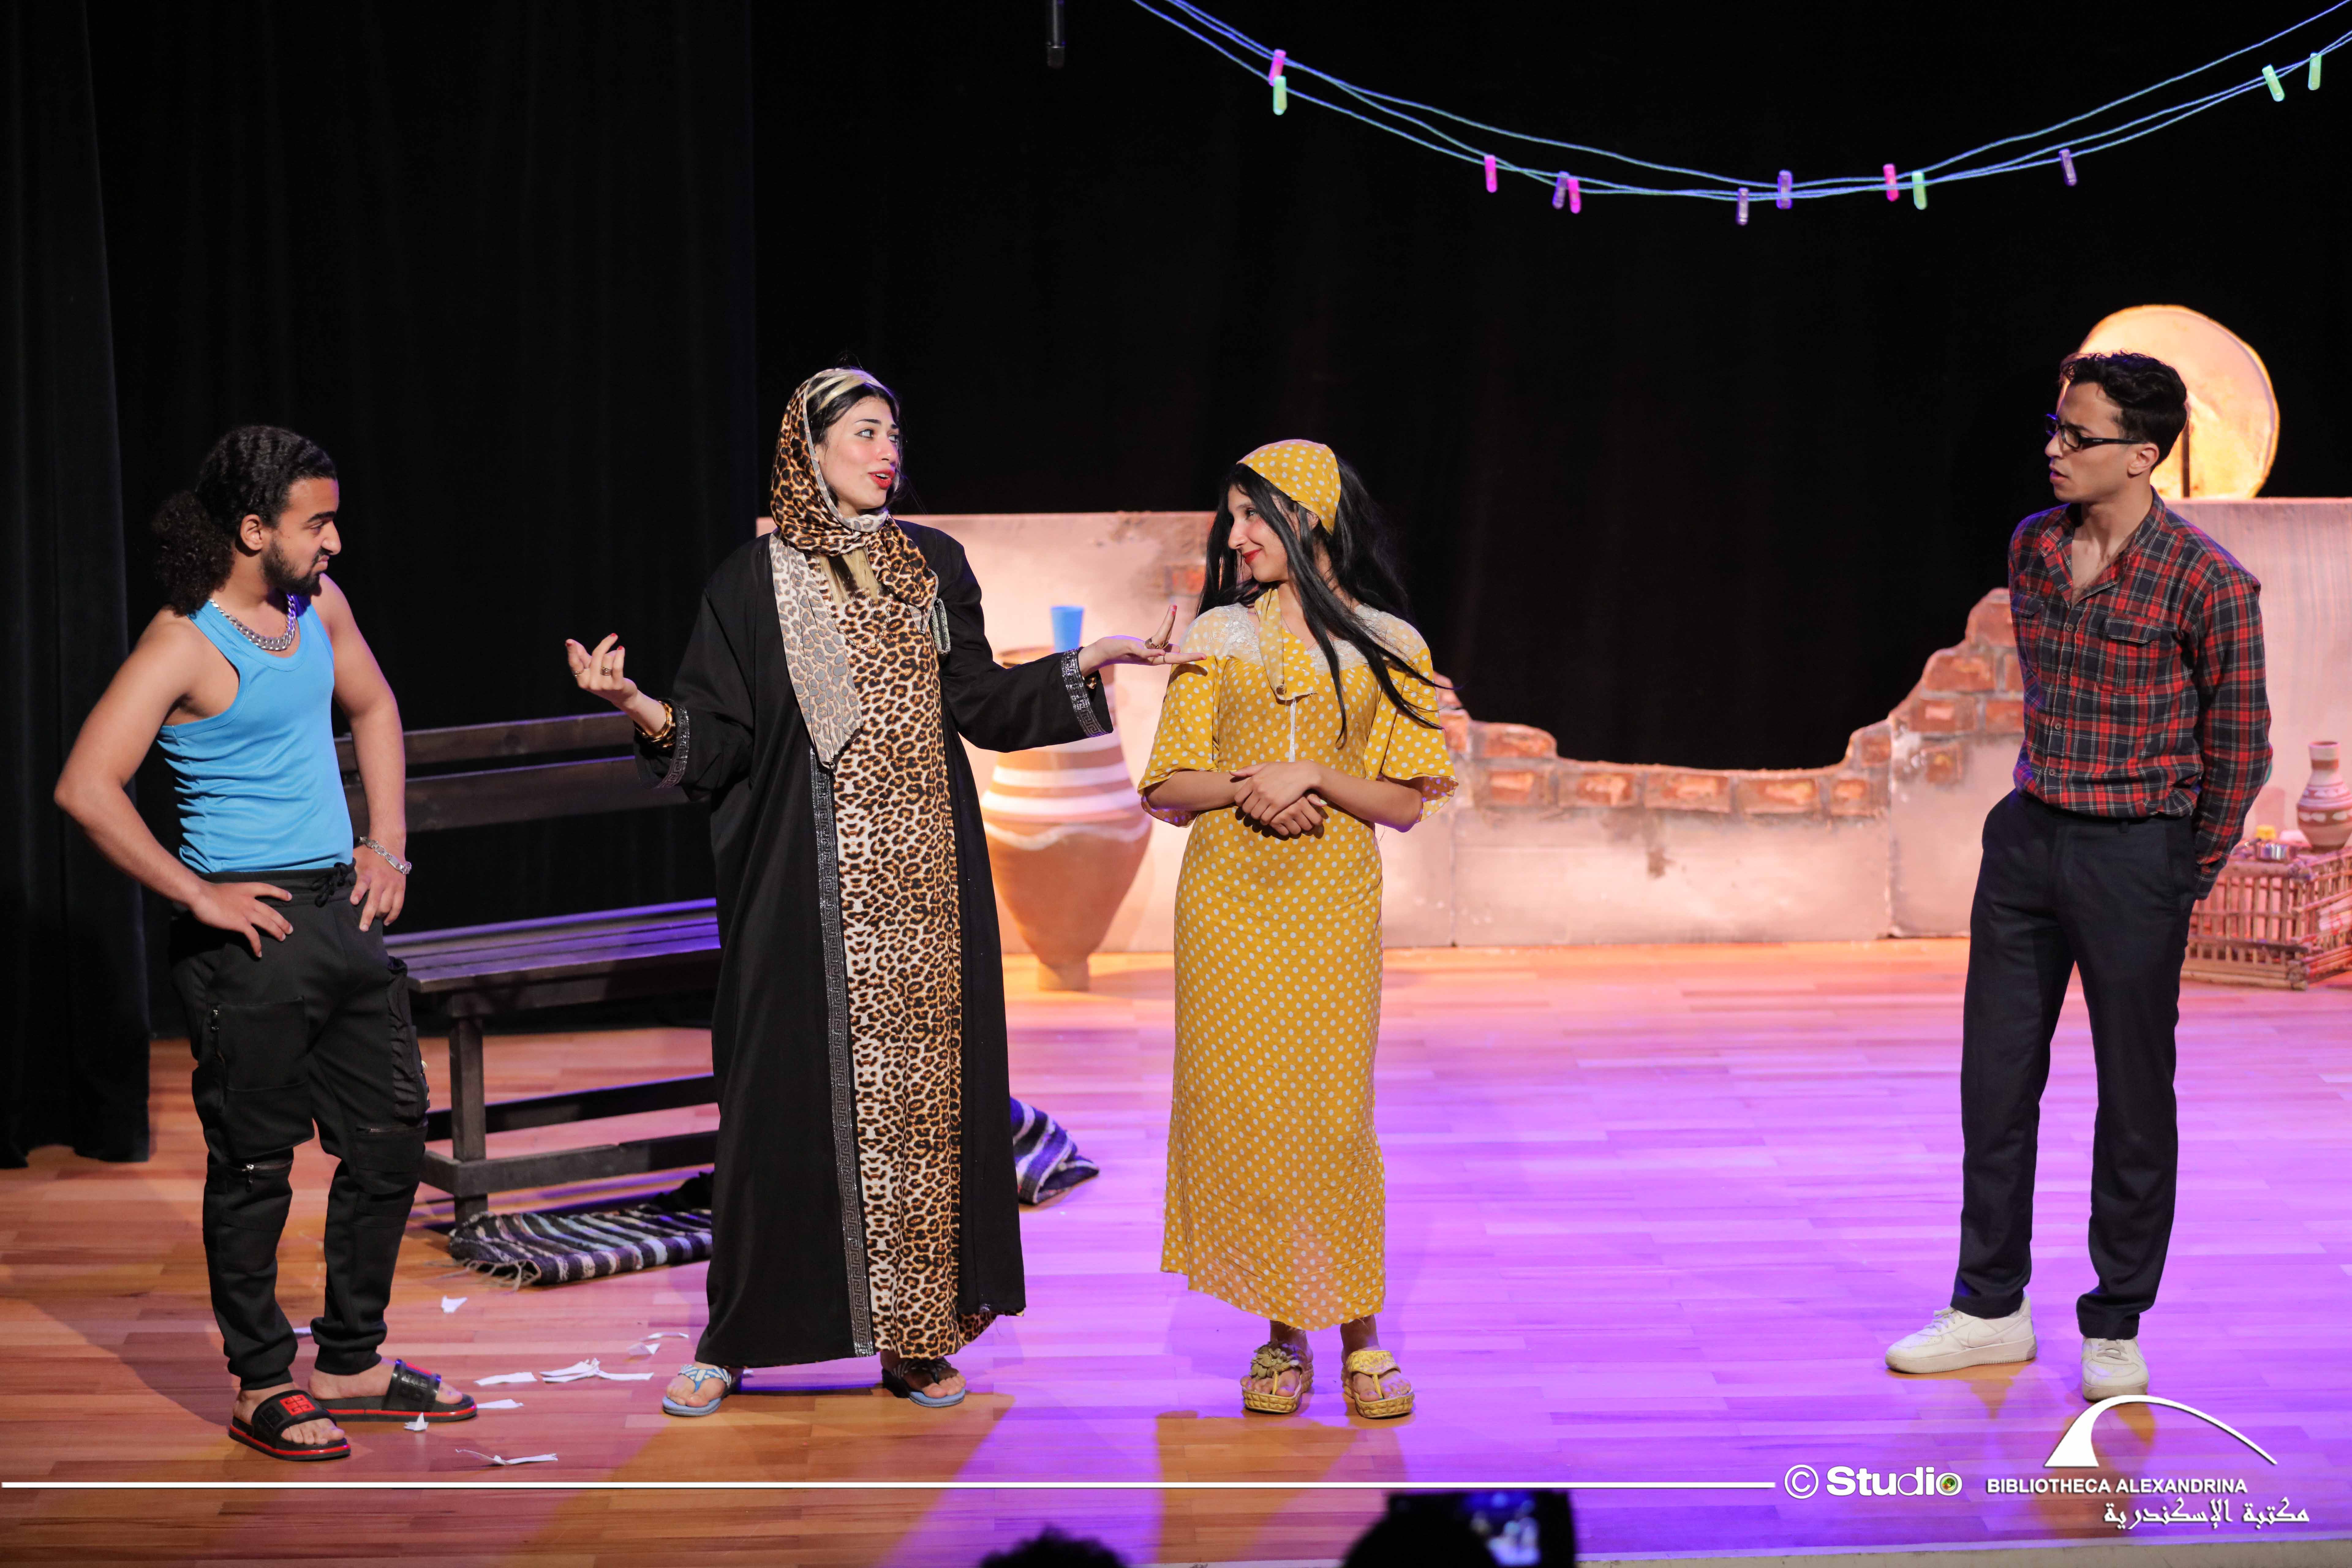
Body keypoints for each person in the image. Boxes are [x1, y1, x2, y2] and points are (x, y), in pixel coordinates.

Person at [564, 368, 1172, 1414]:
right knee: (778, 1103)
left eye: (894, 433)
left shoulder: (930, 563)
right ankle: (737, 1338)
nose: (887, 452)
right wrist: (636, 703)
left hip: (927, 887)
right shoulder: (752, 582)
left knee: (924, 1114)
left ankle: (916, 1337)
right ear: (809, 450)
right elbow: (722, 743)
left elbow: (980, 701)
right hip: (804, 887)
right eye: (864, 432)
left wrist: (1089, 663)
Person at [54, 425, 473, 1462]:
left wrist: (388, 843)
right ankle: (260, 1384)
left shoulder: (317, 607)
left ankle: (351, 1361)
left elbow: (374, 706)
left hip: (343, 911)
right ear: (253, 530)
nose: (334, 541)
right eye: (316, 523)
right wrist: (196, 893)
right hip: (252, 940)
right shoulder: (183, 643)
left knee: (388, 1140)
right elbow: (87, 785)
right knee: (254, 1167)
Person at [1886, 352, 2269, 1401]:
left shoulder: (2208, 582)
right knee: (1996, 1082)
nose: (2055, 450)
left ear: (2142, 456)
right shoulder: (2036, 549)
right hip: (2028, 841)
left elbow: (2241, 746)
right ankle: (1988, 1307)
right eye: (2055, 429)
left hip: (2136, 852)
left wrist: (2182, 865)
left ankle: (2116, 1321)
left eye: (2079, 435)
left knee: (2134, 1096)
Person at [1139, 440, 1455, 1418]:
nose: (1235, 537)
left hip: (1329, 903)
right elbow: (1166, 784)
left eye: (1252, 516)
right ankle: (1282, 1336)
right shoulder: (1220, 634)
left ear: (1308, 517)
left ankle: (1360, 1332)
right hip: (1226, 904)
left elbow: (1405, 801)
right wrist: (1254, 786)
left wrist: (1312, 774)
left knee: (1330, 1116)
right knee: (1249, 1114)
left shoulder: (1391, 642)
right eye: (1232, 517)